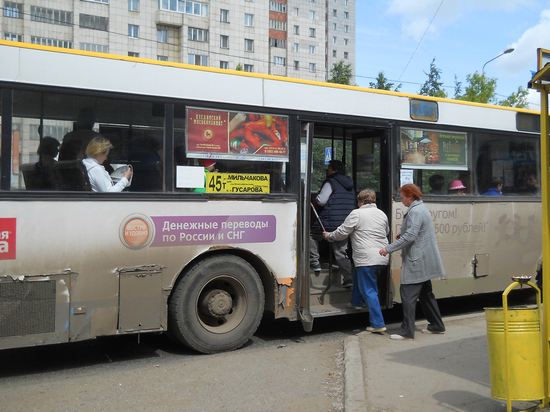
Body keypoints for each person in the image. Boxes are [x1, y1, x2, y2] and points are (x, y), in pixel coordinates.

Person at [379, 184, 446, 340]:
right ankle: (437, 325)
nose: (401, 200)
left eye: (402, 197)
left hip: (417, 261)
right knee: (426, 294)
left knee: (407, 294)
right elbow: (415, 231)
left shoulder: (415, 211)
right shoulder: (421, 208)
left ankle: (407, 331)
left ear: (410, 196)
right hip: (424, 259)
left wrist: (388, 248)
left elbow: (410, 236)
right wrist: (403, 232)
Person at [323, 189, 389, 332]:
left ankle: (378, 324)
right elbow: (387, 231)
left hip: (367, 258)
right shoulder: (382, 214)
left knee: (370, 290)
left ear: (360, 202)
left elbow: (342, 232)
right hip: (382, 256)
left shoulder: (357, 213)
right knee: (359, 275)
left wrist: (329, 236)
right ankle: (356, 303)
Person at [310, 159, 355, 288]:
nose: (326, 171)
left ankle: (314, 262)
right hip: (344, 223)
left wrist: (317, 196)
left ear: (334, 170)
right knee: (341, 251)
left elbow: (321, 201)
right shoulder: (350, 184)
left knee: (311, 235)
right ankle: (347, 278)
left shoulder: (331, 182)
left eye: (328, 168)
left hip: (329, 222)